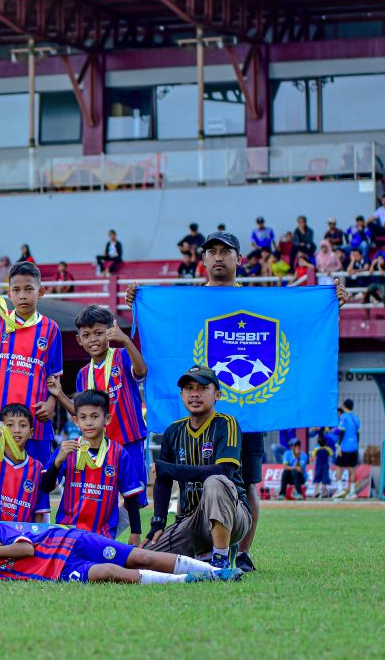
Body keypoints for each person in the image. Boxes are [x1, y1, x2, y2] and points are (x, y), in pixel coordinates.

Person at [126, 231, 349, 573]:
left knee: (247, 483)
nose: (218, 257)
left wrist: (330, 299)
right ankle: (202, 543)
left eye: (225, 252)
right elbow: (164, 335)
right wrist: (138, 300)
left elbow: (298, 319)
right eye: (211, 252)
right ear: (202, 261)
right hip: (201, 421)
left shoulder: (258, 300)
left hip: (248, 414)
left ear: (238, 260)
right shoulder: (188, 304)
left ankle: (241, 553)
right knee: (205, 486)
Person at [0, 501, 241, 583]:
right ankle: (188, 579)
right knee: (108, 573)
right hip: (58, 571)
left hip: (69, 539)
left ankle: (214, 571)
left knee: (139, 556)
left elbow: (27, 549)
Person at [142, 366, 251, 569]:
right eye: (189, 388)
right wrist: (158, 523)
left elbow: (223, 472)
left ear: (217, 394)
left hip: (234, 517)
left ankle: (220, 562)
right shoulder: (173, 431)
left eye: (202, 388)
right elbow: (163, 480)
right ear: (182, 394)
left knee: (216, 481)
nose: (195, 394)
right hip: (191, 520)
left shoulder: (227, 424)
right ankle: (202, 556)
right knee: (145, 558)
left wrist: (171, 469)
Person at [50, 305, 150, 516]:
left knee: (137, 498)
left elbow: (141, 371)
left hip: (129, 439)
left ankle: (124, 538)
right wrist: (60, 395)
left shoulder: (122, 357)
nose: (93, 339)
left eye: (98, 333)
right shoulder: (83, 374)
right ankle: (107, 538)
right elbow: (80, 412)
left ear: (110, 332)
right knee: (104, 496)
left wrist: (125, 340)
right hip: (101, 447)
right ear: (79, 340)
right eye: (86, 335)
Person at [0, 261, 62, 465]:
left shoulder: (51, 329)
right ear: (8, 293)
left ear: (41, 291)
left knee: (36, 485)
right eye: (16, 290)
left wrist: (51, 403)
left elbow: (55, 376)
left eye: (29, 289)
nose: (22, 295)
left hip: (35, 423)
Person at [42, 390, 144, 541]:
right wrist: (57, 461)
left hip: (103, 536)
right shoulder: (67, 450)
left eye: (95, 416)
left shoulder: (118, 453)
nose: (88, 422)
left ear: (107, 419)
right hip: (68, 533)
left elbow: (131, 495)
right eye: (83, 417)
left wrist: (135, 532)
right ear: (76, 421)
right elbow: (45, 487)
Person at [333, 398, 360, 499]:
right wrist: (356, 445)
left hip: (344, 447)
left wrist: (339, 445)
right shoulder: (356, 418)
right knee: (351, 469)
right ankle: (352, 492)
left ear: (344, 406)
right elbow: (358, 434)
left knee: (338, 467)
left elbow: (342, 432)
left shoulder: (343, 417)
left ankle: (340, 489)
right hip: (354, 447)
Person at [311, 433, 334, 498]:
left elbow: (312, 457)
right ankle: (324, 493)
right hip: (325, 466)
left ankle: (316, 491)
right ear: (326, 442)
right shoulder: (328, 449)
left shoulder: (316, 449)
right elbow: (331, 455)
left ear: (318, 443)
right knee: (324, 479)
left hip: (318, 466)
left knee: (317, 478)